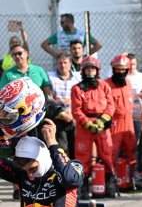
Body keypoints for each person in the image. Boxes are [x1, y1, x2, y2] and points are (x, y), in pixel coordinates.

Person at [71, 56, 116, 198]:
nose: (90, 71)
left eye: (92, 68)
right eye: (87, 69)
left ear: (97, 70)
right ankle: (82, 187)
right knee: (82, 156)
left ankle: (110, 184)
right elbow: (76, 110)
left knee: (107, 154)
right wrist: (87, 123)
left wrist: (102, 120)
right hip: (85, 126)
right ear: (83, 71)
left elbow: (110, 105)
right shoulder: (77, 89)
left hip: (102, 124)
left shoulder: (104, 86)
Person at [105, 54, 137, 184]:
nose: (120, 71)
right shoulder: (106, 84)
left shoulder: (127, 83)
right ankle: (111, 180)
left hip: (128, 122)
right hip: (115, 122)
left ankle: (131, 179)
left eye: (123, 69)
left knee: (131, 151)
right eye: (117, 69)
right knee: (111, 151)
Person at [48, 53, 80, 157]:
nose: (62, 65)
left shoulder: (78, 78)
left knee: (76, 147)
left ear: (70, 64)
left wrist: (71, 100)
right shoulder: (50, 77)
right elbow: (49, 97)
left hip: (74, 116)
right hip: (59, 117)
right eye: (60, 63)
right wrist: (59, 102)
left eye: (65, 62)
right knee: (63, 148)